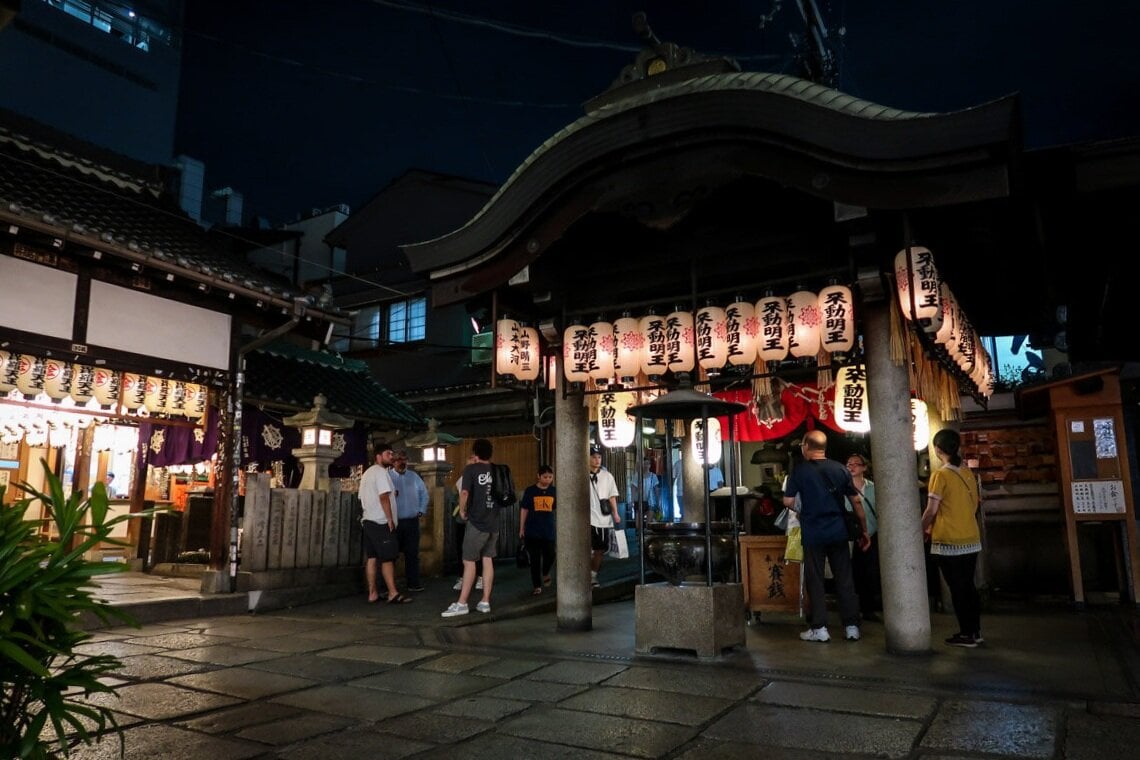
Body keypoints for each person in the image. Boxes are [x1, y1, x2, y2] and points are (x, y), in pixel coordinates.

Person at [782, 429, 869, 643]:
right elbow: (856, 501)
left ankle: (819, 628)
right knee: (844, 578)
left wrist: (804, 509)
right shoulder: (840, 469)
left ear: (805, 446)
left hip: (813, 531)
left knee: (815, 579)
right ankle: (851, 626)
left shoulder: (800, 472)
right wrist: (863, 528)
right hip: (838, 530)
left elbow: (787, 501)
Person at [921, 429, 983, 648]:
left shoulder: (941, 475)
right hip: (971, 536)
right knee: (968, 586)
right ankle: (975, 631)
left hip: (949, 540)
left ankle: (966, 633)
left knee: (957, 588)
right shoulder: (967, 473)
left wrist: (921, 529)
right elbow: (975, 505)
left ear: (937, 449)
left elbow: (931, 510)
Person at [442, 438, 498, 617]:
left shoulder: (471, 469)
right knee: (488, 559)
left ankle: (462, 603)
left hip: (477, 521)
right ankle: (485, 601)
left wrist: (463, 511)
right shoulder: (497, 470)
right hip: (493, 522)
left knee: (469, 561)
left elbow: (464, 492)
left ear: (475, 452)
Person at [359, 443, 411, 605]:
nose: (391, 456)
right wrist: (389, 519)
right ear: (378, 456)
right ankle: (392, 593)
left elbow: (364, 497)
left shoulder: (367, 473)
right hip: (381, 521)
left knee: (372, 557)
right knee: (388, 558)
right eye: (388, 453)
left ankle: (373, 593)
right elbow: (383, 497)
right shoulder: (381, 472)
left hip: (368, 520)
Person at [846, 453, 881, 621]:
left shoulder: (874, 488)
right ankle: (855, 607)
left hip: (872, 534)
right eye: (849, 464)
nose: (852, 467)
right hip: (851, 537)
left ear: (864, 467)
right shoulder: (843, 489)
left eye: (856, 464)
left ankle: (869, 608)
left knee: (871, 572)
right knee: (853, 572)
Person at [390, 449, 429, 592]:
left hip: (412, 520)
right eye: (399, 459)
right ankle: (390, 585)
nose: (402, 462)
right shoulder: (388, 477)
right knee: (392, 554)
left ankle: (413, 583)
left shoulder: (414, 476)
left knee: (412, 554)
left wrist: (421, 510)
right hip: (395, 521)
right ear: (393, 462)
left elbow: (424, 494)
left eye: (405, 459)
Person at [518, 464, 556, 595]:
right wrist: (521, 528)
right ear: (538, 476)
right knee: (534, 559)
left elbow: (558, 508)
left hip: (548, 529)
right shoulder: (530, 491)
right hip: (532, 530)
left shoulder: (554, 491)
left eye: (550, 477)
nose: (548, 480)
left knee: (551, 555)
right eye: (545, 477)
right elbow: (524, 509)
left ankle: (545, 572)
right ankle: (537, 586)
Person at [588, 446, 621, 588]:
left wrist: (616, 513)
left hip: (604, 519)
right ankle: (588, 576)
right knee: (588, 549)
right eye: (594, 457)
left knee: (600, 550)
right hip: (588, 518)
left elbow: (612, 496)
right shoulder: (581, 474)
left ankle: (593, 575)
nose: (597, 460)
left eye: (599, 457)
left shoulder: (608, 476)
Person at [451, 454, 483, 592]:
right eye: (471, 462)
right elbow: (459, 495)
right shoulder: (462, 479)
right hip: (465, 518)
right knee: (463, 549)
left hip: (475, 518)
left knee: (478, 549)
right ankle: (464, 576)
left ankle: (480, 576)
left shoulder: (482, 479)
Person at [629, 458, 659, 523]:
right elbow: (633, 489)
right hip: (639, 501)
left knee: (649, 523)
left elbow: (656, 489)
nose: (645, 465)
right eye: (644, 464)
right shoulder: (637, 475)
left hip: (650, 501)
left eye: (647, 464)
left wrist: (658, 501)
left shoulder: (653, 476)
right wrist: (632, 501)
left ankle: (648, 528)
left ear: (650, 465)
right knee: (638, 525)